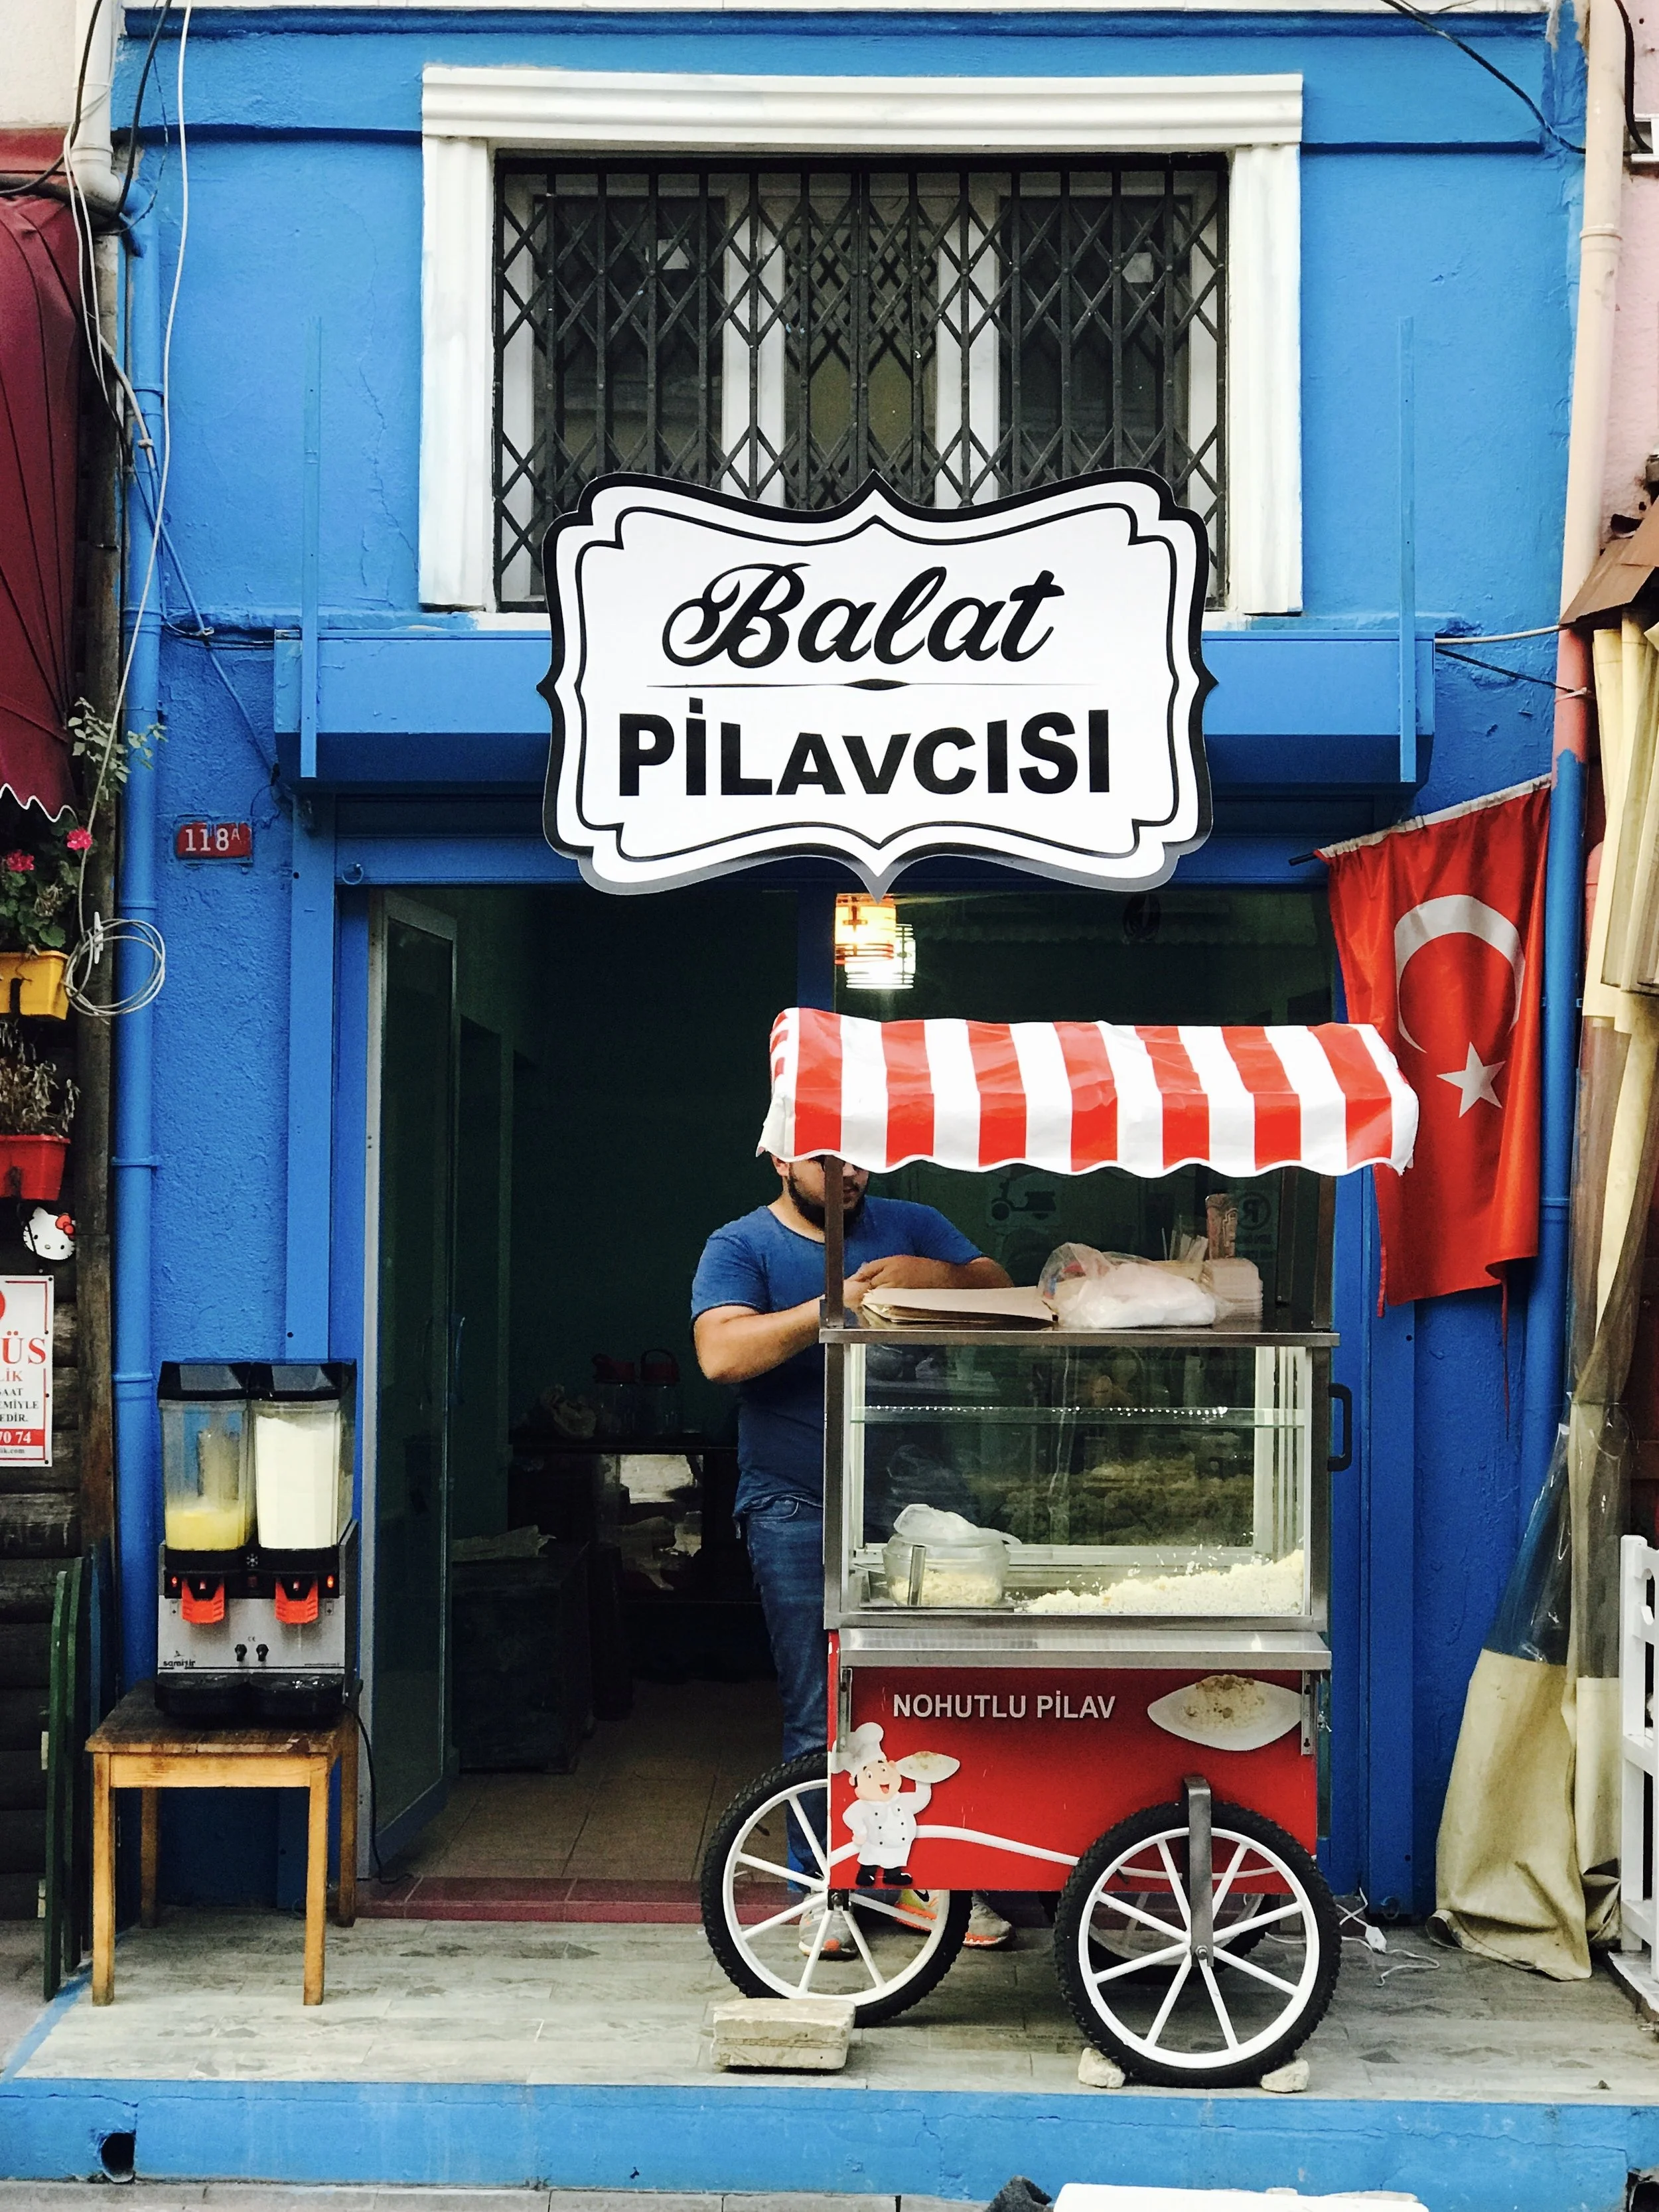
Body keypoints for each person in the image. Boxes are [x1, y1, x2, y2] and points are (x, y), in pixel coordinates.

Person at [692, 1150, 1016, 1953]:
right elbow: (721, 1355)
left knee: (939, 1695)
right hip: (794, 1504)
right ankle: (830, 1887)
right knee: (820, 1706)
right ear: (775, 1156)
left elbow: (1002, 1289)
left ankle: (939, 1881)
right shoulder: (739, 1246)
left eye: (862, 1158)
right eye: (826, 1159)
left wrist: (919, 1277)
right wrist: (832, 1305)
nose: (850, 1174)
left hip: (924, 1508)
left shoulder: (914, 1226)